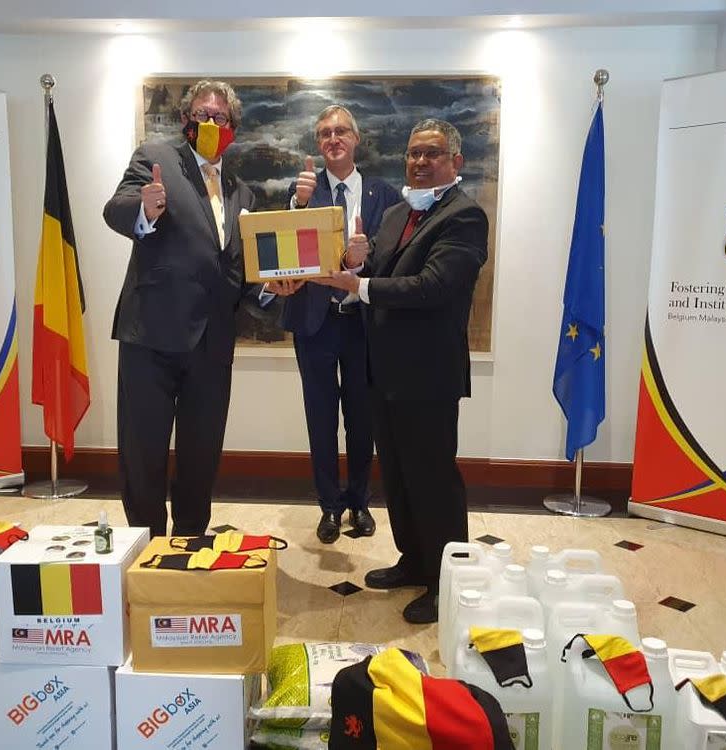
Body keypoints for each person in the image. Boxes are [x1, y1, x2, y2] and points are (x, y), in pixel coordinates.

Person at [312, 118, 488, 624]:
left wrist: (358, 286)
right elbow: (378, 275)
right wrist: (360, 265)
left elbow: (433, 286)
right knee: (399, 478)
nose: (420, 162)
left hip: (428, 376)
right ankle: (414, 561)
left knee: (433, 481)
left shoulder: (465, 216)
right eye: (413, 153)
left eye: (432, 153)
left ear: (455, 161)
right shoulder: (395, 214)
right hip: (382, 373)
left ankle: (445, 583)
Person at [103, 80, 255, 537]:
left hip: (212, 344)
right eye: (202, 115)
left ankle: (190, 540)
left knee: (201, 452)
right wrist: (144, 210)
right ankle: (146, 544)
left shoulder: (241, 190)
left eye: (220, 117)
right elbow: (116, 209)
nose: (210, 123)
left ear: (233, 126)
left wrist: (271, 291)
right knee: (143, 449)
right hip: (151, 334)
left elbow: (237, 268)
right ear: (187, 118)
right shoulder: (156, 158)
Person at [283, 105, 401, 544]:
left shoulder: (384, 195)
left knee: (362, 419)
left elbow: (394, 260)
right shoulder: (304, 193)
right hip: (315, 321)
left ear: (356, 138)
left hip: (364, 324)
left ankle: (360, 503)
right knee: (320, 418)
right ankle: (329, 508)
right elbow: (285, 253)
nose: (333, 138)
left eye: (341, 131)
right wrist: (297, 205)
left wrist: (364, 259)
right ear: (319, 143)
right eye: (324, 133)